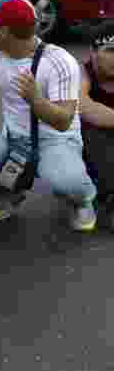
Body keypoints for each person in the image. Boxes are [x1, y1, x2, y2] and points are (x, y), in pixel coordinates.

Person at [0, 0, 96, 231]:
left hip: (56, 141)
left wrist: (36, 100)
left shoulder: (59, 61)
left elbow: (63, 121)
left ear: (4, 32)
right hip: (13, 139)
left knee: (66, 181)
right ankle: (9, 193)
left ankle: (83, 199)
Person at [79, 22, 114, 223]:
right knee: (94, 130)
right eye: (110, 51)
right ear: (93, 52)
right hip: (88, 150)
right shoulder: (82, 74)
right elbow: (84, 107)